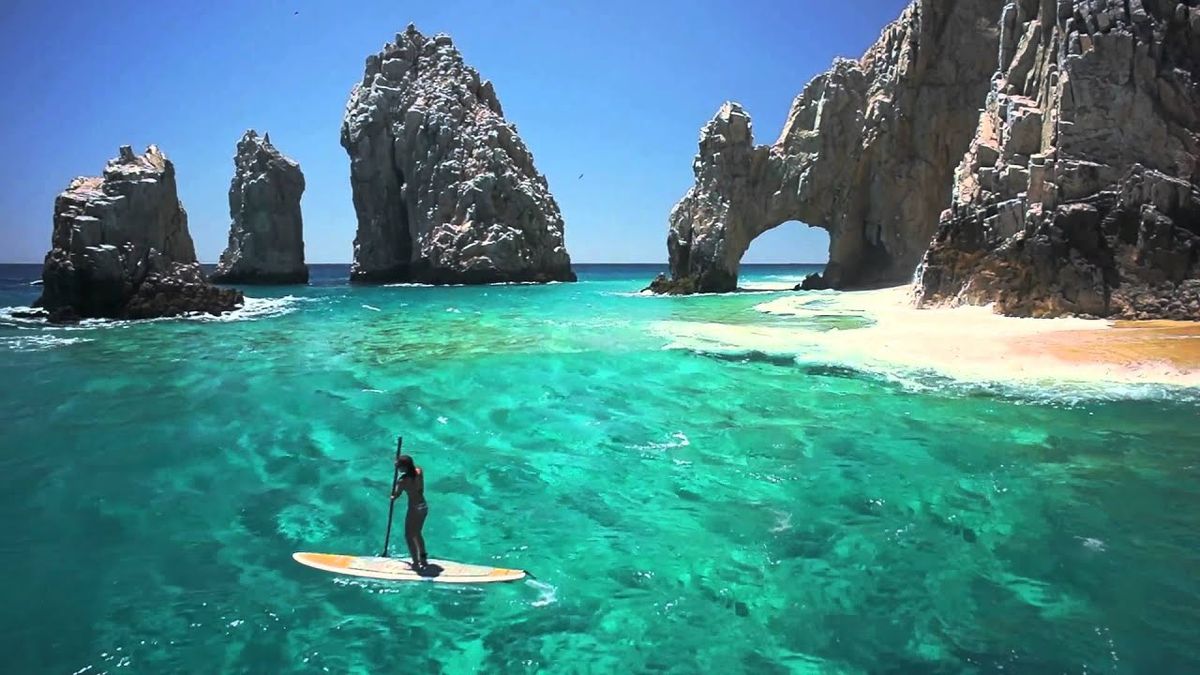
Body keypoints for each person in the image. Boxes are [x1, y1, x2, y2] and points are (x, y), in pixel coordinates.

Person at [391, 454, 428, 570]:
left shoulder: (402, 481)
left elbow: (396, 495)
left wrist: (392, 497)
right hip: (424, 506)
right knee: (417, 533)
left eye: (399, 467)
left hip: (414, 509)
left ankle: (415, 563)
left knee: (408, 535)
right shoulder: (419, 472)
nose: (398, 469)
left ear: (404, 468)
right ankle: (423, 559)